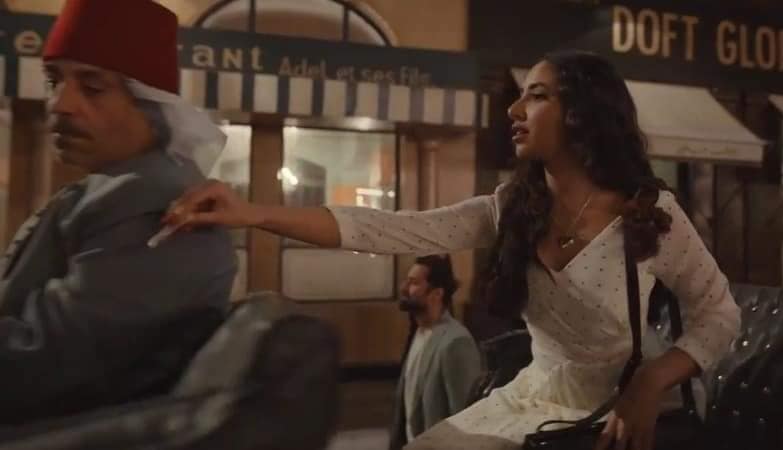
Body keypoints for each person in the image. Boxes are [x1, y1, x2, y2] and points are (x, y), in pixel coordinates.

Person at [163, 51, 741, 450]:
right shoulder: (511, 208)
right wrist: (251, 213)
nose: (513, 111)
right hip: (533, 398)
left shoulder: (650, 212)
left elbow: (719, 314)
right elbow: (387, 229)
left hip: (618, 411)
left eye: (536, 97)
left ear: (582, 114)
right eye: (519, 97)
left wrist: (650, 383)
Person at [0, 0, 236, 425]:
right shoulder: (113, 186)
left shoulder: (156, 198)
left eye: (92, 88)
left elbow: (44, 365)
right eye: (54, 81)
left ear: (152, 106)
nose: (59, 104)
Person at [391, 255, 481, 450]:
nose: (404, 288)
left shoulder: (456, 342)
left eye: (414, 283)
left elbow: (465, 419)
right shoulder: (418, 333)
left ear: (437, 293)